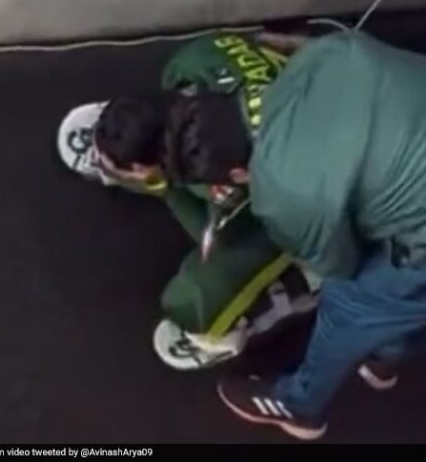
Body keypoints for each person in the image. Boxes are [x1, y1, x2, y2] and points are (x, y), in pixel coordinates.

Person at [160, 30, 426, 440]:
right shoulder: (320, 56)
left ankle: (299, 406)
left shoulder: (281, 191)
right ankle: (384, 353)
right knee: (393, 294)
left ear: (234, 175)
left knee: (349, 302)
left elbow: (338, 263)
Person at [57, 31, 319, 370]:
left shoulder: (231, 177)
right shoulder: (194, 60)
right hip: (322, 97)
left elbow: (225, 236)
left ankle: (307, 284)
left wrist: (163, 186)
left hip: (309, 194)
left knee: (196, 299)